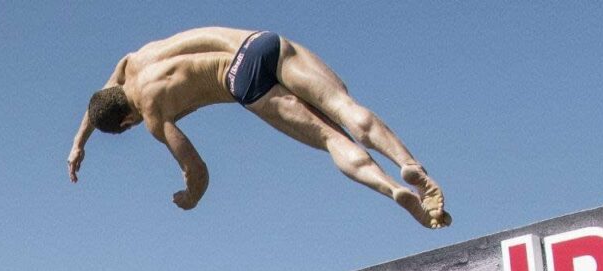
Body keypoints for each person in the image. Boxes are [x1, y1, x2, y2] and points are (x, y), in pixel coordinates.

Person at [66, 27, 447, 228]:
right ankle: (409, 163)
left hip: (241, 80)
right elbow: (98, 99)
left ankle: (392, 188)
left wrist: (191, 196)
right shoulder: (132, 59)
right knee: (343, 106)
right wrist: (78, 143)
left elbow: (197, 170)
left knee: (329, 137)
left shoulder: (151, 114)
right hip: (261, 43)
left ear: (127, 120)